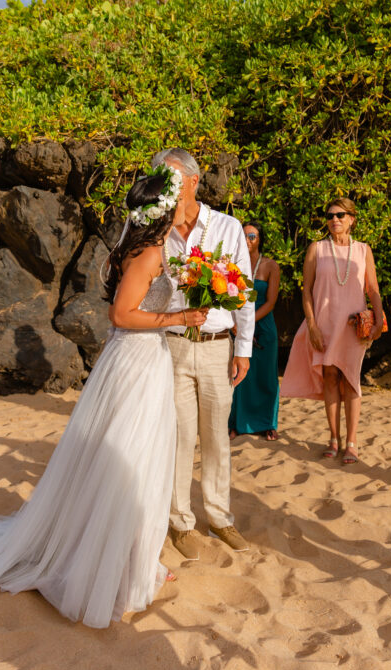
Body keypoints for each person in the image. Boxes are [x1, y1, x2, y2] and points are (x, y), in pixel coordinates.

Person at [0, 166, 209, 629]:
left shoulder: (143, 248)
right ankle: (115, 573)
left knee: (133, 462)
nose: (188, 201)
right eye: (181, 195)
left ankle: (131, 563)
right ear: (166, 209)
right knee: (129, 463)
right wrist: (180, 318)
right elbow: (121, 315)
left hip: (138, 362)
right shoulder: (149, 254)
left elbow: (117, 306)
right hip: (138, 362)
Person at [154, 148, 255, 561]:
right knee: (179, 438)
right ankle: (181, 522)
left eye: (172, 178)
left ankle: (219, 516)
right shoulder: (156, 227)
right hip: (172, 345)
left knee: (216, 437)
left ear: (194, 181)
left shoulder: (227, 227)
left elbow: (243, 290)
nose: (167, 187)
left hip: (217, 347)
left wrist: (244, 348)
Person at [280, 198, 385, 465]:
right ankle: (333, 438)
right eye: (329, 215)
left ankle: (352, 442)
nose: (334, 220)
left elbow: (372, 288)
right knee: (329, 376)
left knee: (351, 379)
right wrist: (312, 325)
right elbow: (306, 291)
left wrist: (379, 318)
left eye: (340, 215)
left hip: (352, 326)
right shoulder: (316, 249)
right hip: (324, 324)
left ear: (352, 219)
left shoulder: (363, 250)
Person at [228, 221, 281, 441]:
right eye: (244, 235)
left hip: (263, 325)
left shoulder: (270, 265)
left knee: (266, 376)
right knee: (240, 378)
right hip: (237, 324)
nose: (248, 240)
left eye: (252, 236)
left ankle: (268, 423)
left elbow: (270, 302)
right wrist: (235, 324)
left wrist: (248, 322)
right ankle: (237, 424)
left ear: (260, 239)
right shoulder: (231, 264)